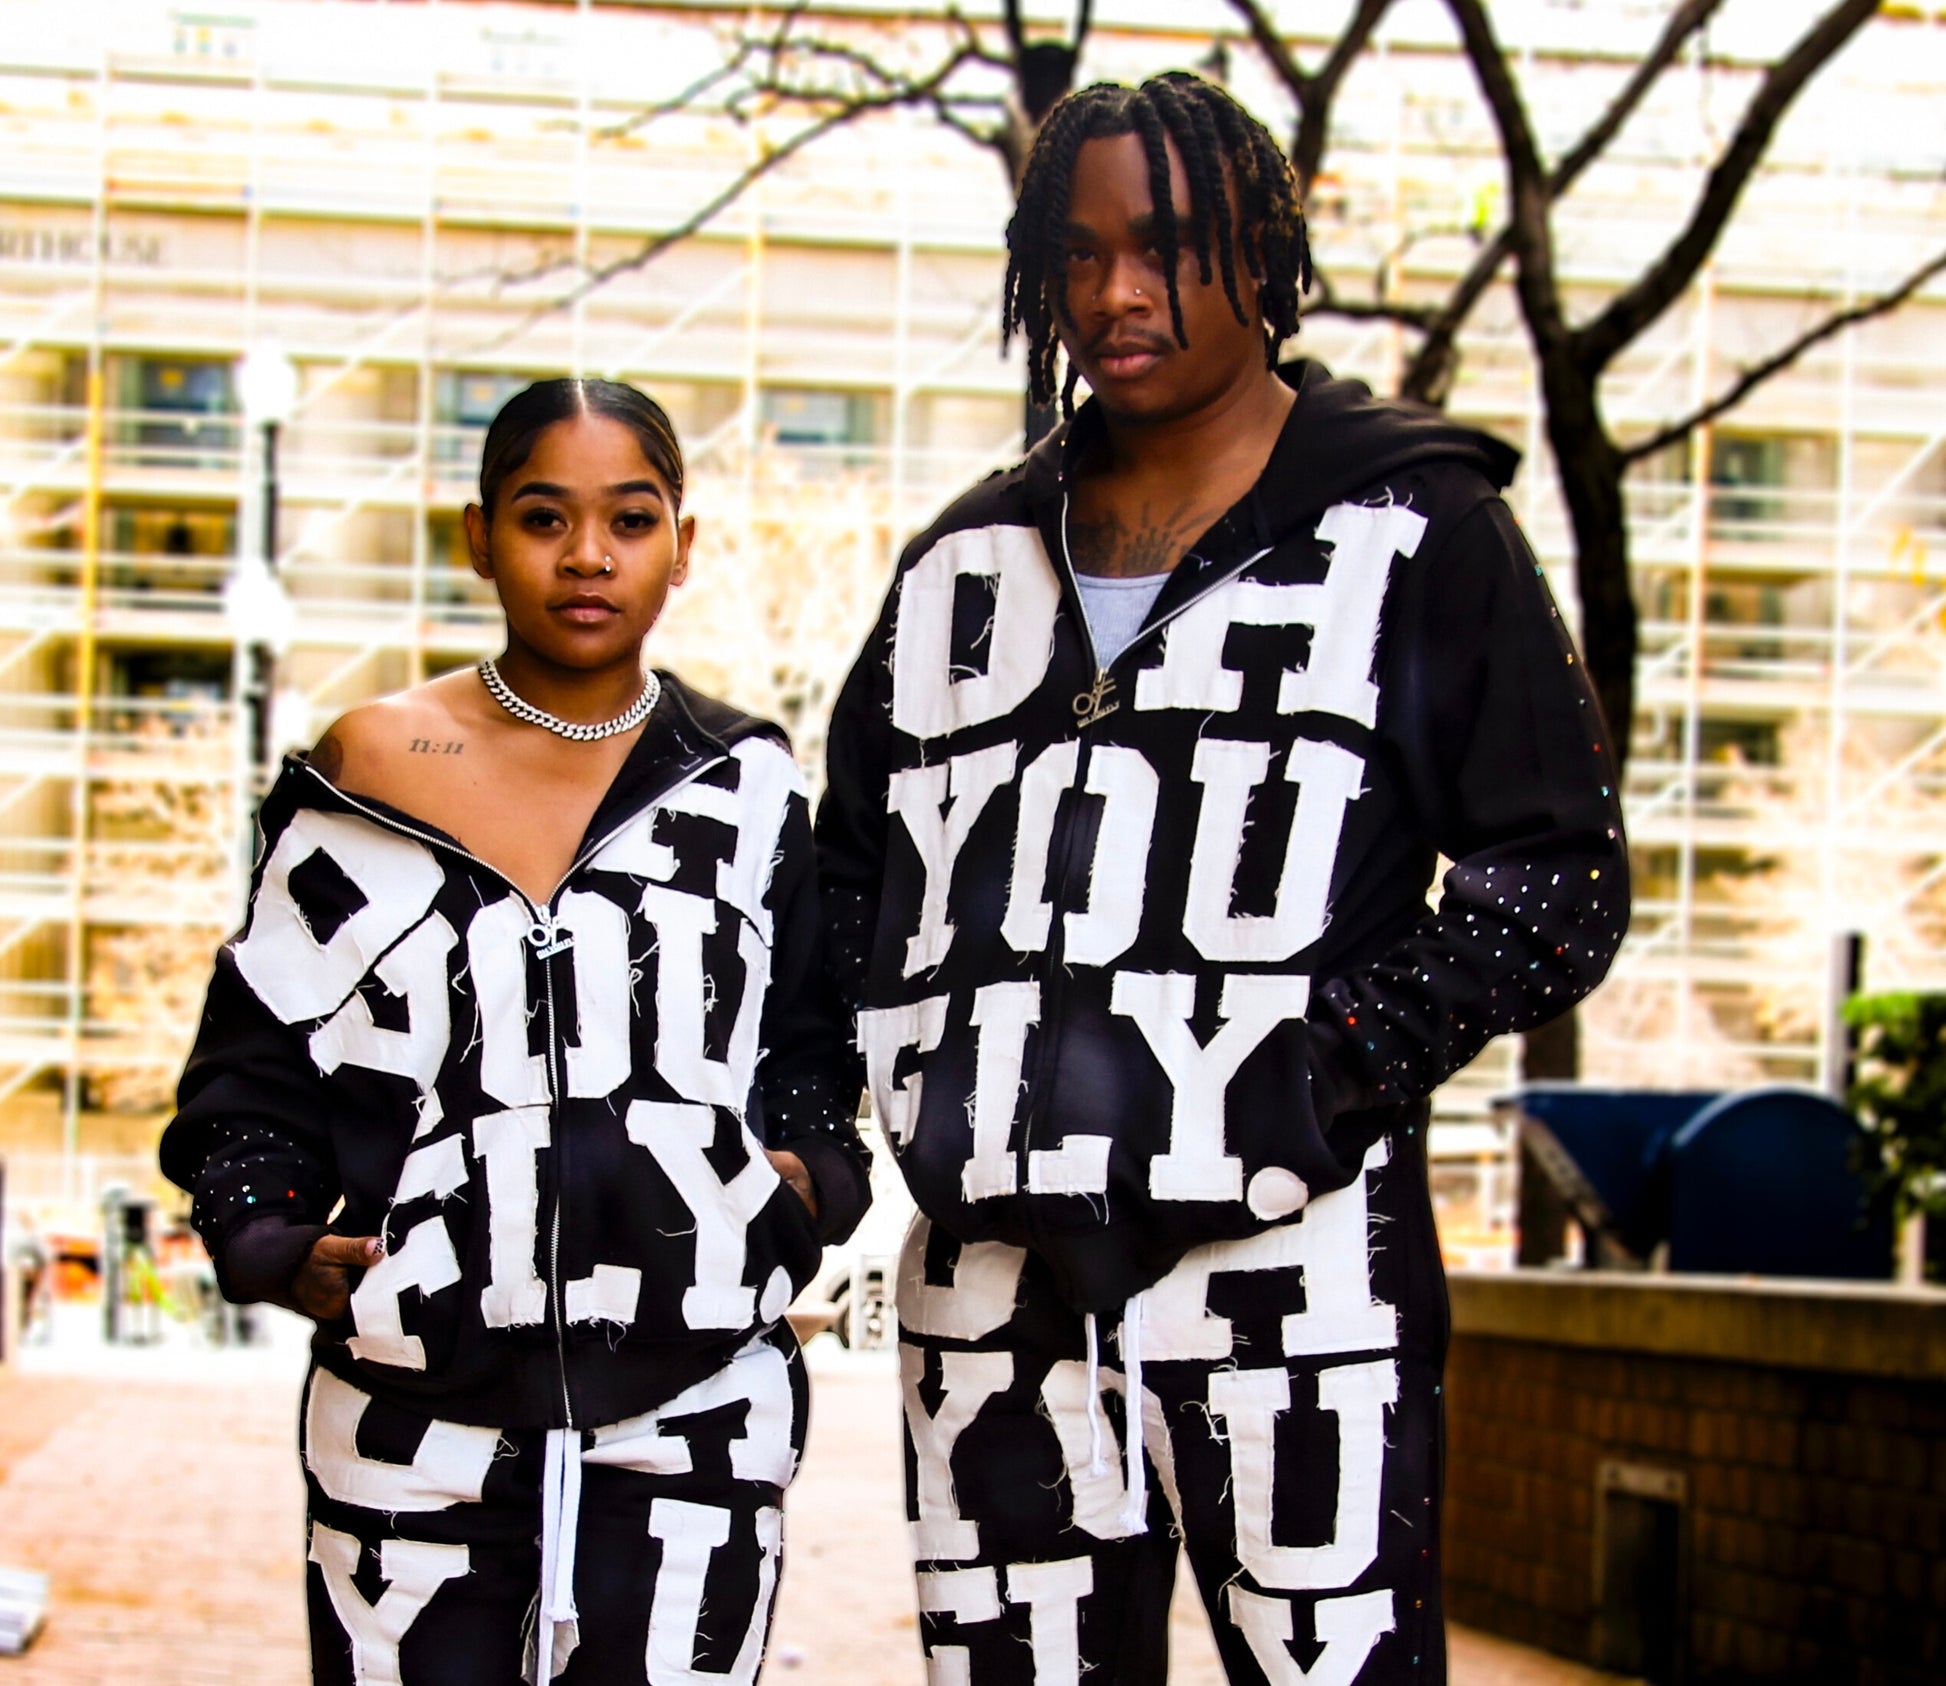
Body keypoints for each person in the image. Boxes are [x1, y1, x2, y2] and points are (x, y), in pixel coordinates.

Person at [816, 73, 1628, 1686]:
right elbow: (840, 883)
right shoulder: (961, 564)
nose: (1115, 294)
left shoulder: (1416, 524)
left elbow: (1557, 874)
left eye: (1168, 247)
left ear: (1261, 251)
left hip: (1298, 1276)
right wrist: (889, 1109)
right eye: (1077, 252)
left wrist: (1315, 1074)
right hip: (996, 1296)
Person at [161, 378, 869, 1685]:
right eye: (545, 518)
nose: (588, 556)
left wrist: (806, 1180)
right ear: (478, 537)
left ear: (682, 545)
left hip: (696, 1418)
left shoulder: (743, 784)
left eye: (631, 520)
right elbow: (251, 1062)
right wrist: (272, 1236)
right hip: (410, 1430)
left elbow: (807, 1045)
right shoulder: (369, 772)